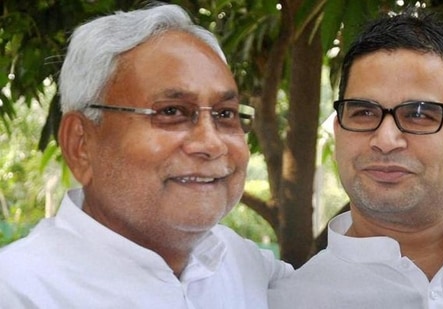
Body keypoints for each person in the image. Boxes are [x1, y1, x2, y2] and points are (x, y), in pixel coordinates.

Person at [0, 4, 292, 308]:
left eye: (225, 114)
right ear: (81, 144)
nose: (211, 143)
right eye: (171, 111)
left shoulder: (243, 265)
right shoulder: (19, 291)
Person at [269, 9, 443, 308]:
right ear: (338, 135)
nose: (385, 140)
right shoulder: (289, 300)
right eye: (364, 112)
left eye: (418, 114)